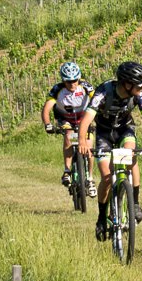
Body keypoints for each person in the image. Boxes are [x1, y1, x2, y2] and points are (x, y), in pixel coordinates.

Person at [77, 61, 142, 241]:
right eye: (139, 85)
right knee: (107, 178)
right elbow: (86, 119)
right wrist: (82, 141)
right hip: (104, 133)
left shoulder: (138, 95)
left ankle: (135, 203)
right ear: (126, 83)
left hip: (125, 129)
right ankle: (102, 218)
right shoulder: (104, 92)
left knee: (131, 156)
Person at [41, 61, 96, 197]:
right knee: (69, 135)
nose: (72, 84)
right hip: (66, 119)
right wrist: (47, 124)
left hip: (84, 118)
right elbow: (46, 108)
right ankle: (67, 170)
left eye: (75, 80)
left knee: (89, 147)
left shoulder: (85, 86)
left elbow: (97, 101)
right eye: (68, 81)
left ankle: (90, 178)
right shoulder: (57, 89)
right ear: (63, 80)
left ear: (79, 78)